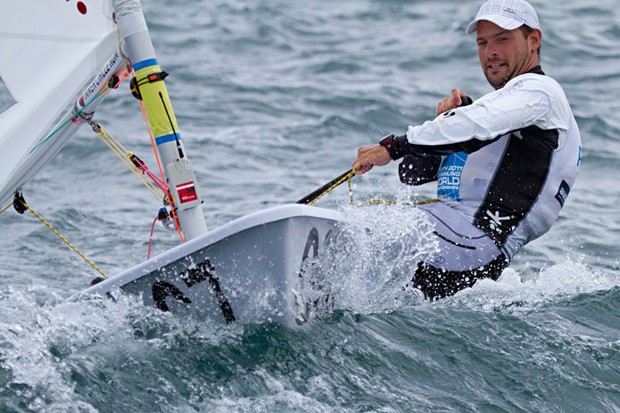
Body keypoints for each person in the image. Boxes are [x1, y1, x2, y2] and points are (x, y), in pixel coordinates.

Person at [351, 0, 582, 299]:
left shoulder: (541, 93)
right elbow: (411, 174)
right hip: (454, 241)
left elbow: (476, 126)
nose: (491, 52)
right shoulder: (504, 115)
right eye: (483, 43)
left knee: (357, 232)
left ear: (533, 40)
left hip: (472, 243)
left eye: (502, 39)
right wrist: (446, 121)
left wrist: (393, 146)